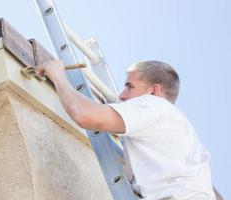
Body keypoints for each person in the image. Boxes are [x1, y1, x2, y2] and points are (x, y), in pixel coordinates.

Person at [35, 60, 215, 200]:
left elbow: (83, 114)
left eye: (130, 86)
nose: (121, 95)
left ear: (153, 91)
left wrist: (58, 75)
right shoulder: (175, 127)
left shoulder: (154, 105)